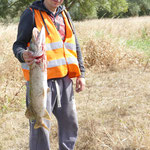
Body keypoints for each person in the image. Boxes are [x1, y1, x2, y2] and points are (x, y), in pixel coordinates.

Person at [13, 0, 85, 150]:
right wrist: (22, 54)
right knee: (40, 127)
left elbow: (74, 44)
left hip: (65, 80)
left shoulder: (65, 13)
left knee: (70, 123)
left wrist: (81, 74)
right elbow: (18, 45)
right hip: (39, 82)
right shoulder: (31, 14)